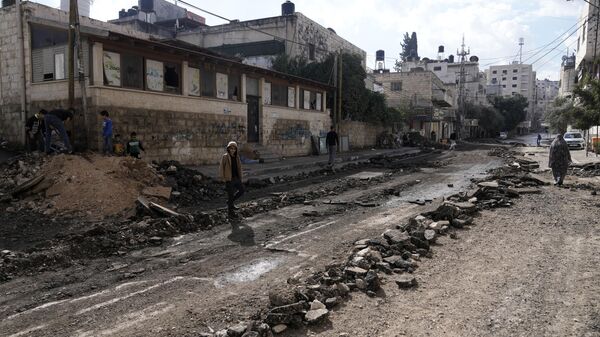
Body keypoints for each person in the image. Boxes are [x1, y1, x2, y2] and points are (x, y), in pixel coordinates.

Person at [219, 141, 245, 218]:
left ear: (236, 149)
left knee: (242, 190)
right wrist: (222, 178)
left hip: (236, 178)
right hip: (229, 179)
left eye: (234, 149)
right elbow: (221, 168)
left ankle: (230, 202)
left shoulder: (237, 157)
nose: (232, 150)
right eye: (231, 148)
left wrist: (241, 177)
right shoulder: (225, 156)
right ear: (228, 149)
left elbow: (239, 168)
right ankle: (230, 212)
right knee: (230, 195)